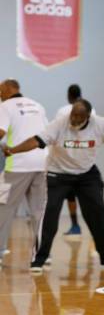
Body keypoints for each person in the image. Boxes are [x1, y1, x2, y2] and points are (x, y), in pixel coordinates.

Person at [3, 99, 104, 272]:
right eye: (73, 114)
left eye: (79, 116)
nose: (74, 118)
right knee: (48, 214)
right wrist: (13, 150)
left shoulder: (100, 125)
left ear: (88, 117)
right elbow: (36, 141)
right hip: (57, 174)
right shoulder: (60, 124)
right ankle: (39, 259)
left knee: (99, 215)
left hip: (86, 175)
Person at [0, 79, 48, 266]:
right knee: (39, 212)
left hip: (16, 165)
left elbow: (1, 132)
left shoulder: (5, 106)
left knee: (3, 208)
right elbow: (46, 134)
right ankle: (43, 254)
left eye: (1, 91)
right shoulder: (38, 105)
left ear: (10, 89)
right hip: (42, 162)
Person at [56, 84, 96, 239]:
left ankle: (75, 226)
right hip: (86, 160)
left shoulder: (63, 111)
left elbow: (57, 132)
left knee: (71, 197)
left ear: (69, 96)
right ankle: (93, 230)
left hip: (68, 160)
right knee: (89, 198)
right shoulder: (91, 109)